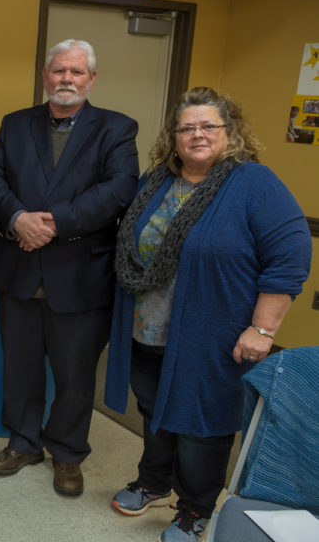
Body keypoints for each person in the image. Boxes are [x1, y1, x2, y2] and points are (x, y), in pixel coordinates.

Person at [104, 87, 311, 542]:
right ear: (174, 137)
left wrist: (263, 327)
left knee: (202, 424)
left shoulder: (253, 183)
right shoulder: (156, 181)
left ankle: (195, 508)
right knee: (154, 410)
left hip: (210, 334)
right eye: (186, 128)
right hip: (146, 327)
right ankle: (154, 481)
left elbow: (290, 255)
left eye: (208, 126)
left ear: (229, 132)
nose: (196, 135)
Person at [0, 39, 139, 496]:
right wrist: (16, 218)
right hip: (20, 269)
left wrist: (53, 222)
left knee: (74, 375)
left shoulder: (117, 129)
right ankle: (24, 442)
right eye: (58, 71)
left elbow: (119, 189)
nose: (66, 79)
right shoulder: (15, 124)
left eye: (76, 72)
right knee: (21, 367)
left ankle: (67, 453)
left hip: (80, 275)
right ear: (45, 75)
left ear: (91, 79)